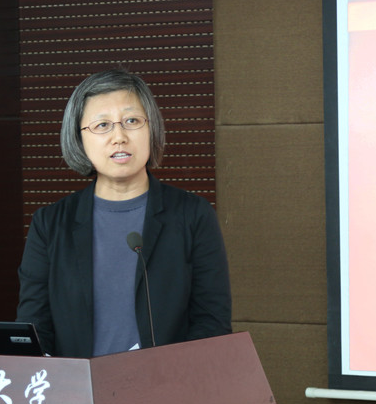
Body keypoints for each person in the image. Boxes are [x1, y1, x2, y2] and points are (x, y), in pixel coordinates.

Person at [16, 68, 232, 359]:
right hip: (79, 385)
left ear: (151, 128)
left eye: (131, 121)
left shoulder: (192, 216)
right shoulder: (50, 225)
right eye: (102, 125)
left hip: (167, 383)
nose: (119, 137)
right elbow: (34, 330)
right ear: (79, 138)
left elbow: (212, 324)